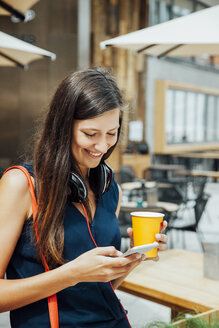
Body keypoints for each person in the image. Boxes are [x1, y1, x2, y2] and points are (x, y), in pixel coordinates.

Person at [0, 67, 168, 328]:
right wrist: (71, 274)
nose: (102, 146)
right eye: (91, 134)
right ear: (63, 127)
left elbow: (99, 288)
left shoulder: (110, 190)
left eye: (111, 134)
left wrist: (131, 261)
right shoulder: (21, 185)